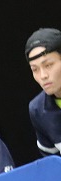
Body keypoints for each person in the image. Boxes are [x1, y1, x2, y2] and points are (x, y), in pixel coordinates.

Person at [25, 27, 61, 156]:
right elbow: (52, 162)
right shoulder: (37, 110)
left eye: (48, 65)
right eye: (35, 69)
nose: (43, 75)